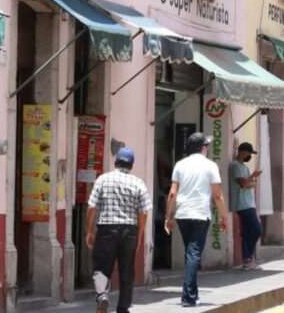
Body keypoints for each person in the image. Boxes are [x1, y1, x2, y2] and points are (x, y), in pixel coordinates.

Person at [165, 132, 229, 307]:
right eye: (207, 146)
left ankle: (193, 294)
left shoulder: (180, 165)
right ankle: (188, 297)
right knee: (194, 254)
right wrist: (224, 217)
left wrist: (168, 216)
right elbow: (217, 195)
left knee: (190, 254)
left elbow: (172, 193)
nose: (207, 148)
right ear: (203, 148)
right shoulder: (210, 166)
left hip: (182, 215)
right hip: (200, 215)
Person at [86, 147, 152, 313]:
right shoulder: (138, 183)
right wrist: (139, 235)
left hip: (106, 229)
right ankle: (123, 308)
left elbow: (92, 207)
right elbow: (144, 213)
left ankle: (102, 296)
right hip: (129, 231)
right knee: (127, 270)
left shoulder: (102, 179)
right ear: (131, 165)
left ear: (115, 162)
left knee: (102, 267)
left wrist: (89, 231)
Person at [229, 142, 263, 270]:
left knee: (248, 232)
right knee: (257, 229)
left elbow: (251, 184)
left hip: (249, 203)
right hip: (243, 204)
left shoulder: (244, 167)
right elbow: (243, 184)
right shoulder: (235, 166)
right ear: (243, 152)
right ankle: (248, 257)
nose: (249, 156)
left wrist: (250, 181)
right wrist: (252, 176)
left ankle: (247, 260)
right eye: (249, 153)